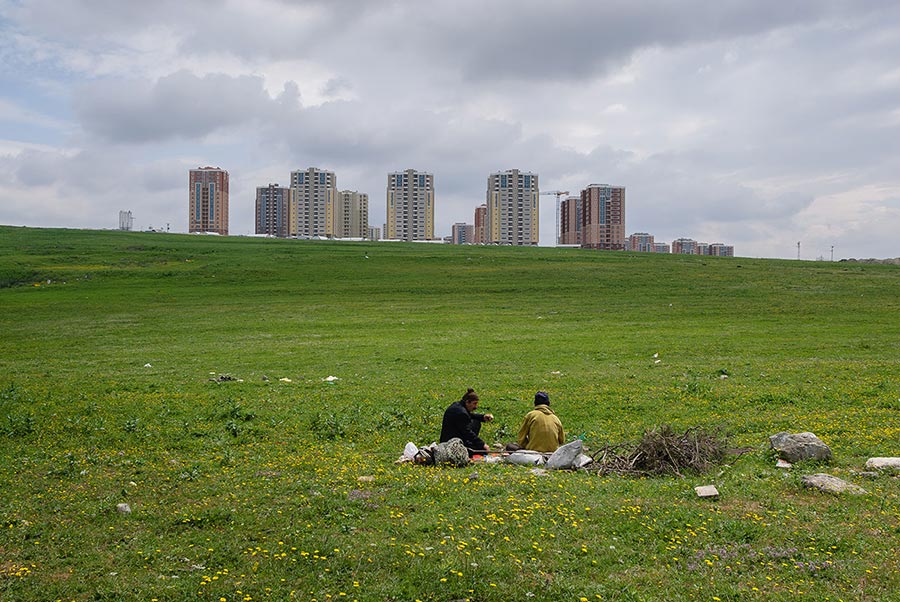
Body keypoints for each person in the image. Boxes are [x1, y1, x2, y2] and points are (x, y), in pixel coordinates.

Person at [440, 388, 493, 455]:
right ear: (467, 402)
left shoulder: (457, 405)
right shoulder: (461, 413)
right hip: (451, 443)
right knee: (481, 450)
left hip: (449, 437)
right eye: (474, 404)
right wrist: (482, 444)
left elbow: (469, 415)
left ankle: (470, 444)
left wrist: (483, 417)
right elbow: (467, 432)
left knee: (476, 422)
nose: (476, 406)